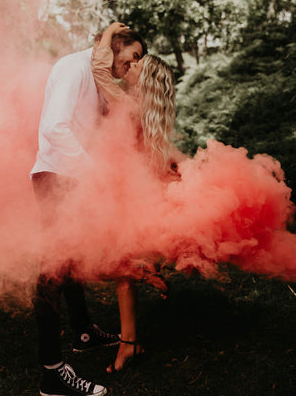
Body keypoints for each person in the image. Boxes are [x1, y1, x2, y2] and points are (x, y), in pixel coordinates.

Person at [30, 26, 147, 396]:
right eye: (132, 56)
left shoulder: (99, 78)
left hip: (73, 177)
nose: (134, 65)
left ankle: (83, 332)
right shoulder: (73, 68)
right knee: (53, 270)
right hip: (55, 178)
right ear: (114, 48)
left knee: (73, 262)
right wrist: (93, 174)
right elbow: (54, 128)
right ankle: (52, 373)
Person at [91, 22, 183, 373]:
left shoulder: (128, 104)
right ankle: (130, 341)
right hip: (135, 189)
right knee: (124, 269)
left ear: (145, 81)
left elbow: (100, 69)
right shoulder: (145, 108)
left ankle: (129, 343)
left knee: (122, 268)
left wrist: (110, 30)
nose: (130, 66)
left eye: (137, 65)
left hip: (126, 192)